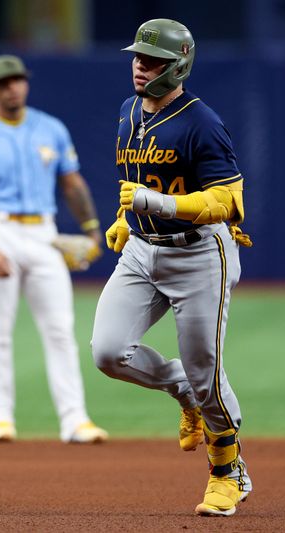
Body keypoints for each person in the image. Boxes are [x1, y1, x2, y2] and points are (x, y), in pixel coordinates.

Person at [90, 19, 254, 515]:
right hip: (143, 250)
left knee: (208, 372)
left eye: (153, 59)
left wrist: (153, 204)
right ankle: (182, 389)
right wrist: (126, 216)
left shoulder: (201, 121)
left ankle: (229, 470)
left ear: (178, 64)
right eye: (137, 57)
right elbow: (137, 178)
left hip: (200, 255)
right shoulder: (128, 112)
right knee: (108, 352)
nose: (140, 66)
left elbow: (229, 200)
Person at [0, 54, 108, 444]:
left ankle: (75, 420)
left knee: (60, 330)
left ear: (26, 83)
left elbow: (71, 183)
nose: (13, 87)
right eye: (4, 83)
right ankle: (0, 417)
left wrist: (91, 231)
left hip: (44, 234)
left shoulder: (50, 128)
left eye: (18, 80)